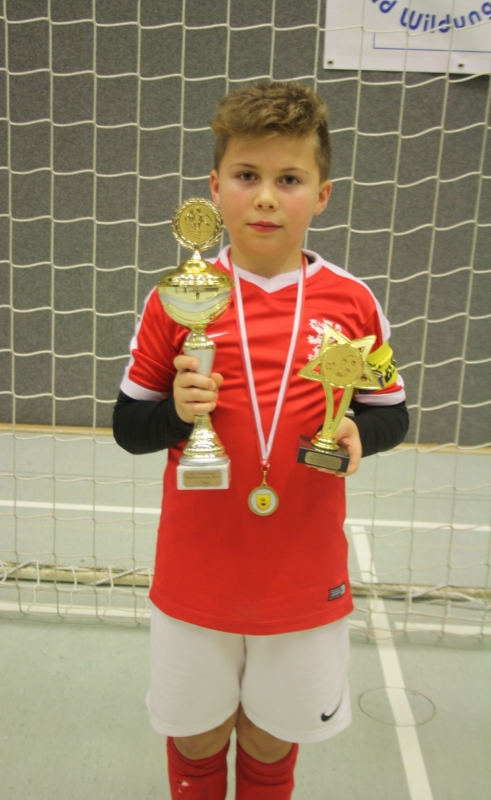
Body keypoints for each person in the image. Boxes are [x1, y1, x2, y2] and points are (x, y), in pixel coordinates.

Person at [113, 81, 409, 800]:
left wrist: (356, 432)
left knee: (273, 737)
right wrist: (178, 414)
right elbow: (128, 427)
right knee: (196, 735)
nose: (267, 198)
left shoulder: (352, 301)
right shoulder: (177, 297)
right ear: (216, 188)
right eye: (247, 176)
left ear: (322, 194)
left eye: (289, 180)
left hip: (303, 580)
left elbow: (392, 413)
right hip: (196, 576)